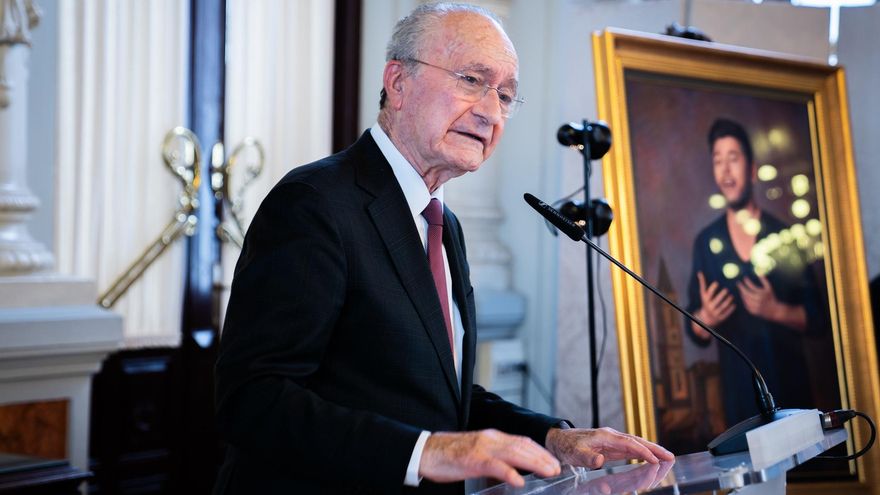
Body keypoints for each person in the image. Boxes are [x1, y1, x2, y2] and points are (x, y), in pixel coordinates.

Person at [214, 4, 673, 494]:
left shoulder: (441, 223)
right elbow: (254, 400)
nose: (490, 111)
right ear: (398, 81)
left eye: (505, 95)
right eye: (472, 79)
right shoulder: (313, 203)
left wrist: (553, 437)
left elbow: (441, 395)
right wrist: (430, 451)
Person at [685, 118, 825, 427]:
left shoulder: (784, 236)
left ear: (751, 168)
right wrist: (705, 319)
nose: (725, 170)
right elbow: (693, 329)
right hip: (739, 404)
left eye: (733, 158)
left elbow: (819, 319)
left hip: (793, 394)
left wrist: (776, 310)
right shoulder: (706, 243)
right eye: (717, 161)